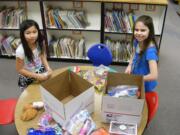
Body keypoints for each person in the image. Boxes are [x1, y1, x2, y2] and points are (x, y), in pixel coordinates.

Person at [16, 19, 52, 90]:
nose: (32, 36)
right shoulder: (20, 51)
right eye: (28, 33)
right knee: (30, 96)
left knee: (42, 91)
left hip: (40, 70)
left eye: (34, 32)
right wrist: (36, 76)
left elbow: (42, 56)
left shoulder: (40, 43)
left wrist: (48, 68)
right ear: (22, 34)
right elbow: (19, 69)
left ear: (38, 31)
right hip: (28, 75)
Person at [125, 15, 158, 92]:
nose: (139, 33)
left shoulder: (150, 51)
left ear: (150, 31)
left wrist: (138, 78)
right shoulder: (137, 41)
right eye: (136, 30)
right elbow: (133, 53)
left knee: (141, 99)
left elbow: (154, 75)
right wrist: (129, 65)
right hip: (136, 74)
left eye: (143, 30)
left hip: (145, 81)